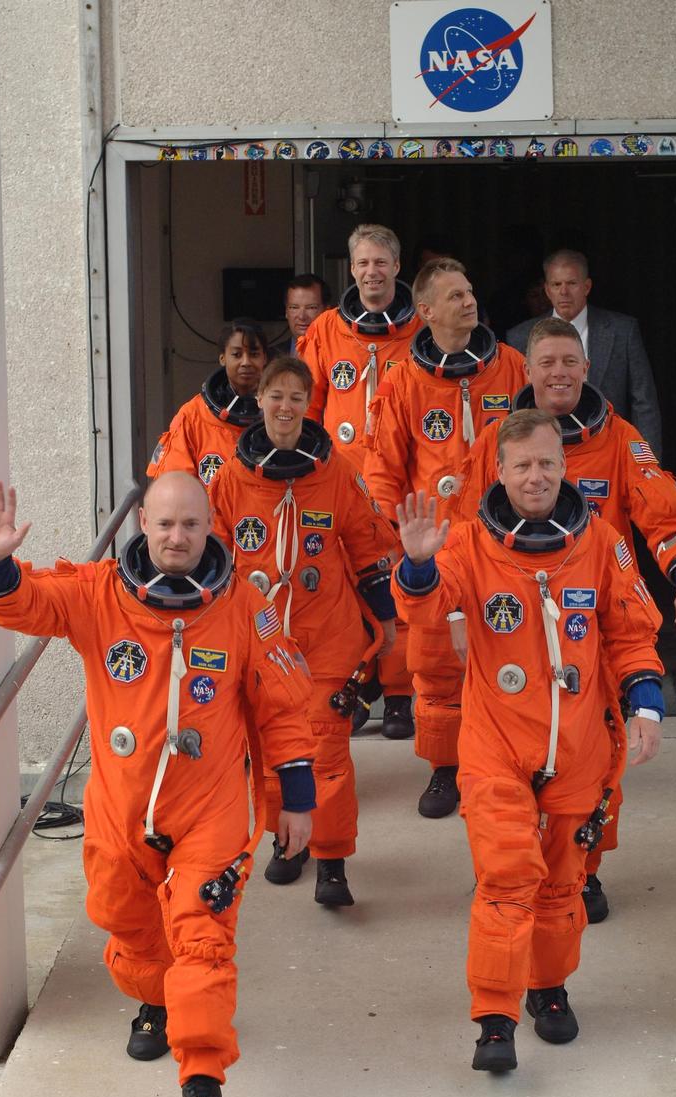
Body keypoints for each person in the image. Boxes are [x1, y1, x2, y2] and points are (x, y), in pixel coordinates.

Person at [0, 473, 315, 1097]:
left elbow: (283, 709)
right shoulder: (102, 594)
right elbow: (25, 605)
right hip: (120, 811)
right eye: (164, 525)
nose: (177, 537)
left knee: (202, 938)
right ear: (144, 528)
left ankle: (203, 1081)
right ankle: (156, 1001)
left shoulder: (245, 605)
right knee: (126, 923)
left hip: (209, 810)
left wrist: (295, 801)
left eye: (190, 524)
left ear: (211, 526)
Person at [392, 410, 665, 1072]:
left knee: (562, 885)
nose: (536, 477)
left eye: (547, 464)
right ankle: (494, 1016)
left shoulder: (600, 542)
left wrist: (647, 704)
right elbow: (426, 610)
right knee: (507, 875)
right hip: (496, 748)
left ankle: (548, 987)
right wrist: (420, 566)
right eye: (522, 466)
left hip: (577, 747)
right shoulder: (466, 543)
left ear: (564, 468)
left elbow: (630, 631)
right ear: (500, 473)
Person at [450, 316, 676, 921]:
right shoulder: (496, 442)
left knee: (597, 763)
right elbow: (463, 528)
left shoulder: (616, 437)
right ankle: (508, 869)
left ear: (586, 369)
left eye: (570, 362)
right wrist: (458, 610)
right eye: (547, 363)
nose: (559, 373)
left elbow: (658, 505)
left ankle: (583, 870)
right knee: (502, 762)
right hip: (510, 626)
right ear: (528, 369)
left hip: (589, 622)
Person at [210, 356, 399, 907]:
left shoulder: (336, 471)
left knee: (328, 753)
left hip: (327, 637)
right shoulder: (230, 476)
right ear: (260, 401)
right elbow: (216, 558)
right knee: (270, 750)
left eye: (297, 397)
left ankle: (332, 861)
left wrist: (385, 620)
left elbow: (366, 546)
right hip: (262, 643)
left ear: (308, 405)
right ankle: (288, 841)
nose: (286, 407)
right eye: (276, 396)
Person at [363, 256, 526, 819]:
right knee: (434, 662)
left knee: (509, 645)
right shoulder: (403, 380)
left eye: (471, 290)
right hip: (434, 542)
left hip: (503, 538)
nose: (469, 300)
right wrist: (394, 539)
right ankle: (444, 769)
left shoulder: (510, 368)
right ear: (426, 310)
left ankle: (512, 761)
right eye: (455, 295)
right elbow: (382, 466)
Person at [297, 224, 420, 740]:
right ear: (351, 270)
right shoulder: (327, 330)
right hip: (341, 488)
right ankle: (353, 688)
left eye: (381, 263)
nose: (372, 272)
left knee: (401, 594)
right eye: (362, 263)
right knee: (342, 595)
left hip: (398, 485)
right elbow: (309, 406)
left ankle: (398, 696)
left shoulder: (421, 329)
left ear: (396, 267)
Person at [506, 250, 663, 456]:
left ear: (587, 286)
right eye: (556, 285)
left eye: (571, 284)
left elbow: (644, 403)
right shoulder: (519, 337)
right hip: (542, 454)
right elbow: (513, 404)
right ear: (547, 289)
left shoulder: (622, 331)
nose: (564, 292)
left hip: (610, 452)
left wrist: (647, 465)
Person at [148, 317, 269, 487]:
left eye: (254, 354)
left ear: (265, 358)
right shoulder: (193, 415)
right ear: (222, 358)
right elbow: (175, 485)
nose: (246, 362)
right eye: (237, 354)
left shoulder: (281, 412)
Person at [271, 273, 331, 357]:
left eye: (311, 308)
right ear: (286, 311)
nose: (302, 316)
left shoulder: (340, 354)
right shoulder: (270, 357)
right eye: (294, 307)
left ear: (327, 312)